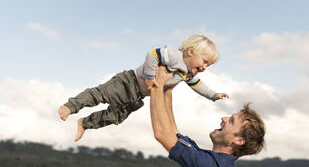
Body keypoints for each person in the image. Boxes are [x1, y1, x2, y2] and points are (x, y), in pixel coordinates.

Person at [58, 34, 229, 141]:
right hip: (128, 82)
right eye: (204, 61)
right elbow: (152, 55)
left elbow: (198, 85)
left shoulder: (187, 74)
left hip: (137, 97)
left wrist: (213, 95)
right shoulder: (174, 56)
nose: (204, 67)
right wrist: (148, 78)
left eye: (209, 65)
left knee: (114, 117)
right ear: (191, 51)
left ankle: (85, 123)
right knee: (99, 95)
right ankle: (70, 107)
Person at [150, 66, 266, 167]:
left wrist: (156, 87)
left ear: (239, 141)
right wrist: (167, 90)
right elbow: (172, 132)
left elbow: (161, 133)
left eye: (231, 121)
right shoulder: (210, 161)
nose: (223, 118)